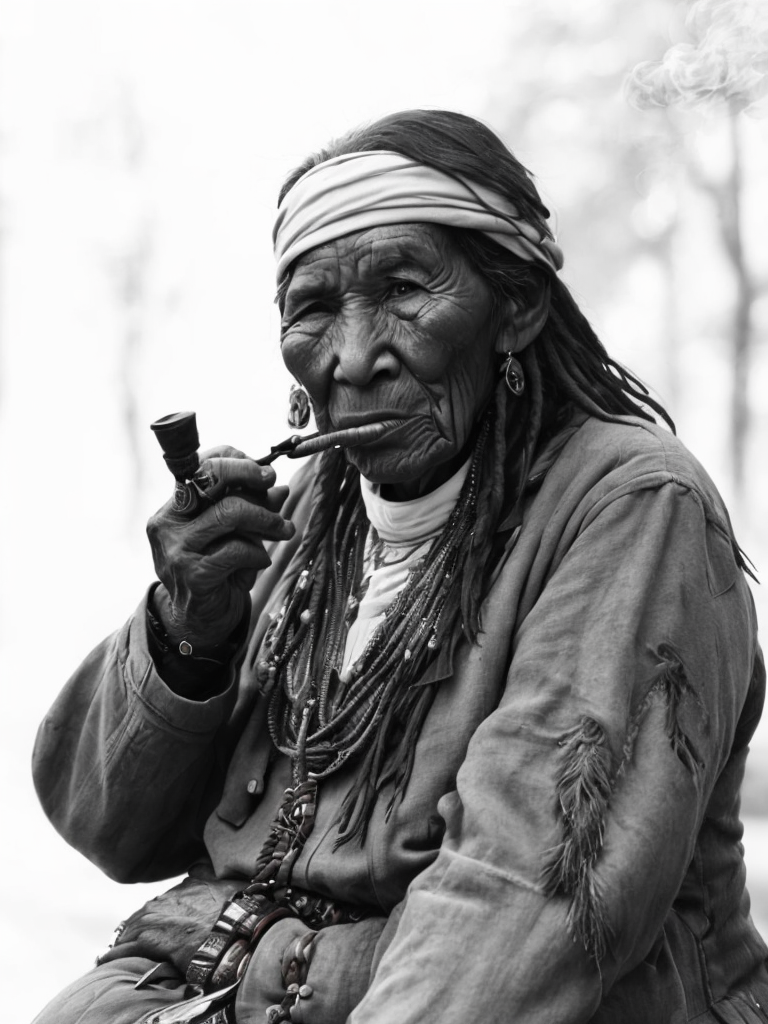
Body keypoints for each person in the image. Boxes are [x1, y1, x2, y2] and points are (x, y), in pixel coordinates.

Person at [32, 109, 767, 1024]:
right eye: (312, 308)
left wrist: (279, 963)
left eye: (404, 289)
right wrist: (189, 631)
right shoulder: (302, 515)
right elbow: (105, 828)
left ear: (517, 307)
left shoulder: (631, 509)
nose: (351, 356)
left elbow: (515, 910)